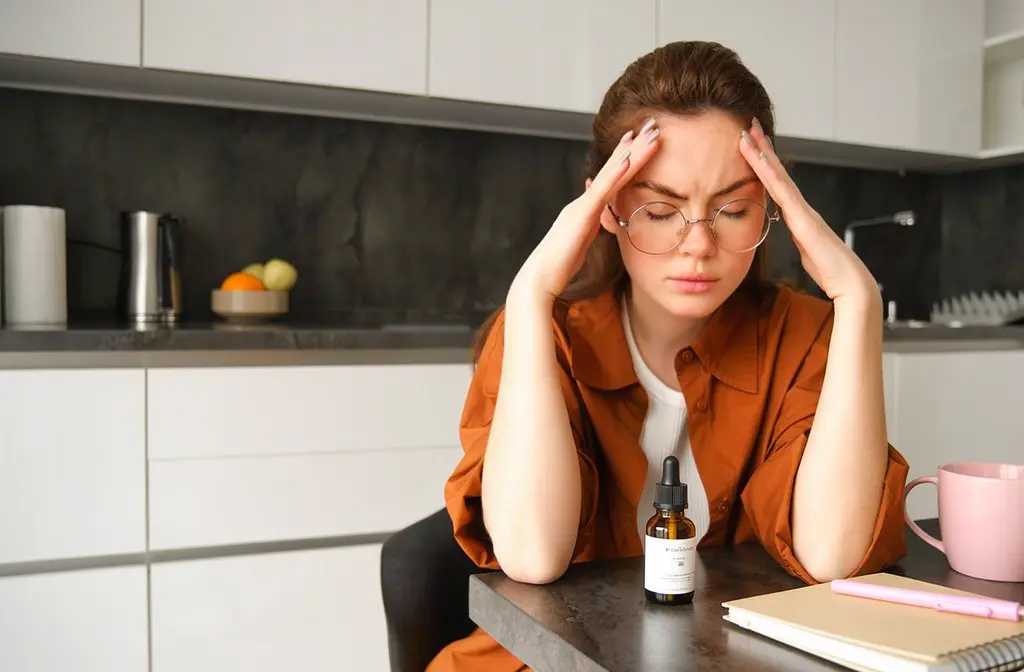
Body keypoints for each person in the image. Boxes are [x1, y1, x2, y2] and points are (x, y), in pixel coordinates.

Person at [427, 40, 909, 672]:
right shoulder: (547, 332)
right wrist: (531, 292)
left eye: (733, 209)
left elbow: (832, 554)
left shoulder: (807, 335)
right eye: (660, 211)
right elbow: (533, 556)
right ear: (605, 208)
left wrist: (858, 298)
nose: (699, 245)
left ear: (773, 203)